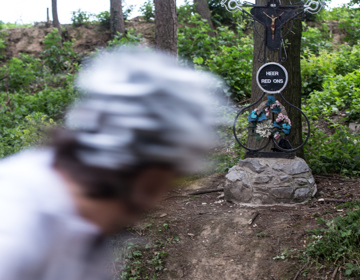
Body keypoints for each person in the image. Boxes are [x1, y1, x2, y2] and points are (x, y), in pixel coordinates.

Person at [0, 48, 218, 280]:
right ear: (152, 178)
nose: (165, 199)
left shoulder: (84, 231)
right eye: (174, 179)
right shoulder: (15, 228)